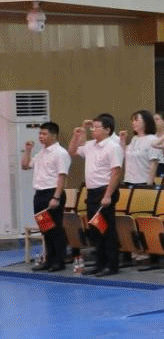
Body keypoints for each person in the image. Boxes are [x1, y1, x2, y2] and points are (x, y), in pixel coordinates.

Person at [73, 115, 123, 275]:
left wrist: (108, 195)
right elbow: (72, 151)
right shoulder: (90, 145)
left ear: (107, 130)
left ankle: (111, 265)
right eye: (92, 127)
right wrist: (80, 131)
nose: (92, 130)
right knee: (95, 229)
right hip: (92, 192)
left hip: (104, 191)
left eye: (96, 127)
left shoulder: (113, 147)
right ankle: (100, 263)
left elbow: (116, 172)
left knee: (106, 230)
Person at [23, 121, 69, 271]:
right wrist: (28, 150)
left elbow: (62, 176)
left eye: (44, 134)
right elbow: (25, 165)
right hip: (40, 194)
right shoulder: (41, 153)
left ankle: (59, 261)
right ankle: (49, 260)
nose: (40, 137)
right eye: (40, 133)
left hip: (52, 193)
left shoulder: (60, 153)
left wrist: (56, 197)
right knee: (45, 229)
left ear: (53, 135)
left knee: (55, 229)